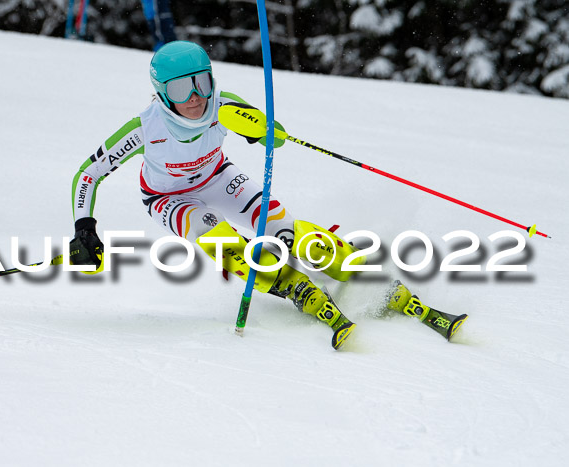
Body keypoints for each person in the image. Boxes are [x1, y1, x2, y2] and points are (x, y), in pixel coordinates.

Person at [68, 41, 465, 350]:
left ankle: (365, 276)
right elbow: (89, 173)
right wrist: (84, 228)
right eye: (179, 87)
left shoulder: (223, 106)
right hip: (169, 198)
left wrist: (266, 131)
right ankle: (293, 285)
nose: (194, 97)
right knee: (226, 244)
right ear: (161, 92)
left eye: (201, 82)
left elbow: (272, 131)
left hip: (218, 178)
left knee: (288, 232)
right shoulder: (144, 128)